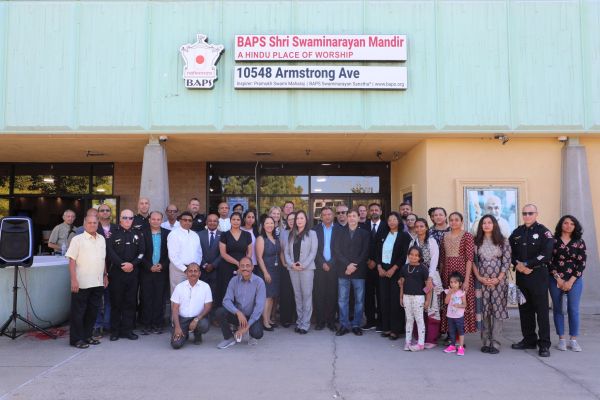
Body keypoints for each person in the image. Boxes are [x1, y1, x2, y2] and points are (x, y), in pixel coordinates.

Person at [509, 204, 554, 357]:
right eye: (524, 213)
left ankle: (544, 344)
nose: (527, 216)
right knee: (524, 309)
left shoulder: (544, 232)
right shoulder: (517, 232)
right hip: (521, 275)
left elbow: (546, 254)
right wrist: (518, 265)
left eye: (530, 213)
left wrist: (528, 264)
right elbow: (510, 252)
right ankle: (529, 340)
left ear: (536, 214)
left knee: (541, 310)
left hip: (538, 274)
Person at [66, 215, 108, 349]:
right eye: (89, 223)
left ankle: (87, 336)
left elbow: (103, 259)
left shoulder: (101, 239)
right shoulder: (77, 240)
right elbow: (71, 261)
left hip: (97, 282)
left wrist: (105, 275)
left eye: (95, 223)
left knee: (92, 312)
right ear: (84, 224)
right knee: (78, 313)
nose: (92, 225)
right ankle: (76, 339)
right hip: (81, 283)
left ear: (98, 224)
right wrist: (73, 280)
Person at [473, 214, 511, 354]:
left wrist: (498, 278)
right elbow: (473, 263)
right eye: (484, 223)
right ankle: (486, 341)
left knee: (497, 310)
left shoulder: (503, 241)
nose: (487, 225)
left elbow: (506, 261)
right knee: (484, 311)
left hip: (498, 283)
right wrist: (479, 277)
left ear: (494, 224)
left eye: (489, 222)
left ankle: (495, 342)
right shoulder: (476, 242)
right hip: (481, 282)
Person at [106, 209, 145, 341]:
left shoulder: (138, 234)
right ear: (120, 219)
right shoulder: (112, 234)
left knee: (130, 302)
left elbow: (142, 253)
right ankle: (115, 331)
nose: (128, 220)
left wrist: (132, 264)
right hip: (117, 273)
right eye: (125, 218)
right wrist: (122, 264)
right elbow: (110, 252)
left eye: (130, 218)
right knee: (116, 303)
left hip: (133, 274)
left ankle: (128, 330)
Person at [550, 215, 586, 352]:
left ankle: (573, 340)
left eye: (572, 223)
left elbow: (581, 263)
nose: (569, 225)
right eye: (566, 223)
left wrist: (570, 281)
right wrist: (558, 279)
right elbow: (549, 261)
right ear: (561, 225)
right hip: (555, 279)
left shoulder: (579, 242)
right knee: (558, 309)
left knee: (573, 309)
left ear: (575, 226)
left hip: (574, 280)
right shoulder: (553, 241)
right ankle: (562, 339)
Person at [376, 212, 412, 340]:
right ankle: (386, 327)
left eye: (394, 219)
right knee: (384, 299)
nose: (391, 222)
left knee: (395, 300)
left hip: (396, 271)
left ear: (398, 221)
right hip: (382, 271)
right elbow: (377, 252)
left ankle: (396, 329)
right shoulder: (382, 234)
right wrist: (379, 266)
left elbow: (404, 255)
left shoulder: (404, 236)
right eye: (389, 219)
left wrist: (394, 268)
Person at [333, 209, 369, 336]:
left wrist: (354, 266)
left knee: (359, 300)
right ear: (347, 218)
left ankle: (356, 325)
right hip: (343, 271)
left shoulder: (364, 233)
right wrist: (347, 265)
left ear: (359, 218)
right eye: (349, 216)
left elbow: (365, 252)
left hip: (359, 272)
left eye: (354, 216)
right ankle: (344, 325)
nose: (352, 218)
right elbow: (336, 250)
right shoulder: (339, 232)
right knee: (343, 299)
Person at [216, 257, 266, 349]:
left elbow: (259, 307)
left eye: (248, 266)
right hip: (238, 315)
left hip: (252, 316)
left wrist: (247, 326)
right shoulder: (234, 280)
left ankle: (250, 334)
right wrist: (238, 313)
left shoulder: (259, 282)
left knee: (257, 333)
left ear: (252, 267)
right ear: (239, 267)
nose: (245, 268)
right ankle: (229, 338)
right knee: (220, 312)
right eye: (242, 266)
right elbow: (226, 300)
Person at [440, 212, 476, 336]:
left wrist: (466, 280)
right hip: (447, 272)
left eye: (456, 220)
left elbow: (470, 259)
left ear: (462, 222)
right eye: (451, 220)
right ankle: (450, 334)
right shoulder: (444, 236)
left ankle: (460, 335)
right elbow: (442, 258)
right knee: (449, 301)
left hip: (462, 271)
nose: (454, 222)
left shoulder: (467, 236)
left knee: (460, 301)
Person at [410, 218, 442, 348]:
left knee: (431, 307)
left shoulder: (432, 241)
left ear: (426, 228)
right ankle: (419, 336)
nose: (418, 229)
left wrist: (429, 278)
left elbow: (434, 260)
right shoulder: (413, 242)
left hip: (431, 276)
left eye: (421, 226)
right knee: (418, 307)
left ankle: (431, 338)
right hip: (416, 278)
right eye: (416, 226)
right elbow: (409, 261)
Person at [284, 210, 318, 334]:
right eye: (297, 218)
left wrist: (303, 265)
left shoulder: (312, 233)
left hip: (307, 269)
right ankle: (299, 322)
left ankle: (305, 324)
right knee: (297, 296)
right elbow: (286, 252)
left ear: (306, 220)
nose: (299, 220)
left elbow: (313, 252)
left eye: (301, 218)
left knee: (306, 296)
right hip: (293, 269)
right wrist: (292, 264)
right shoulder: (291, 234)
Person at [140, 211, 170, 335]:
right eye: (153, 219)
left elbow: (170, 254)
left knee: (159, 299)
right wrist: (149, 266)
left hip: (161, 271)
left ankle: (158, 324)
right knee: (146, 298)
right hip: (146, 271)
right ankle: (146, 324)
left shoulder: (168, 234)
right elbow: (139, 252)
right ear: (149, 220)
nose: (156, 221)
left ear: (161, 220)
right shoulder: (143, 233)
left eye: (158, 219)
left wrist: (162, 265)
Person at [170, 263, 212, 349]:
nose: (193, 273)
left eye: (195, 271)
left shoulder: (205, 287)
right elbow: (174, 309)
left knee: (204, 325)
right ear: (186, 273)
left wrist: (197, 319)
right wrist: (177, 327)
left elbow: (208, 306)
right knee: (176, 344)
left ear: (199, 273)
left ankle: (197, 334)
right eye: (190, 271)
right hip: (182, 319)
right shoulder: (179, 287)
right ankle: (184, 335)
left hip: (197, 318)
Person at [399, 246, 432, 351]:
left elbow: (428, 286)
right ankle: (408, 342)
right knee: (409, 319)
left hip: (419, 297)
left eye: (416, 255)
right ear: (408, 255)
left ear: (420, 257)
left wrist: (428, 300)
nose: (413, 257)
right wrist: (401, 297)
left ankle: (421, 343)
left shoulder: (423, 269)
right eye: (411, 254)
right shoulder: (404, 268)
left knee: (419, 319)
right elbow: (402, 284)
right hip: (406, 297)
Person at [92, 203, 117, 339]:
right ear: (98, 213)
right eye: (102, 210)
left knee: (110, 299)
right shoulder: (94, 227)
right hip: (97, 268)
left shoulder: (116, 227)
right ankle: (97, 325)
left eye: (108, 210)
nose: (105, 212)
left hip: (114, 268)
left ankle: (107, 325)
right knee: (97, 299)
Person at [218, 212, 252, 307]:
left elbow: (249, 253)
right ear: (230, 221)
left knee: (242, 290)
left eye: (238, 220)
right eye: (233, 219)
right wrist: (238, 264)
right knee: (227, 290)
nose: (236, 222)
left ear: (241, 221)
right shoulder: (224, 235)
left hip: (243, 269)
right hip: (227, 266)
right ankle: (227, 315)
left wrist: (243, 266)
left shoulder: (247, 235)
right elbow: (223, 253)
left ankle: (241, 315)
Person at [313, 207, 339, 331]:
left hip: (334, 268)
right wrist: (322, 262)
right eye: (324, 215)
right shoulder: (315, 230)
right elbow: (315, 249)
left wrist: (331, 263)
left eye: (329, 214)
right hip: (319, 267)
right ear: (321, 217)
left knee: (332, 295)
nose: (327, 216)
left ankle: (331, 322)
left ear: (333, 215)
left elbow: (340, 249)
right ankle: (320, 321)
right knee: (319, 294)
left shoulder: (339, 229)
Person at [364, 203, 387, 331]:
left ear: (380, 212)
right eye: (371, 209)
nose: (374, 211)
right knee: (368, 295)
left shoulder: (386, 226)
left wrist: (377, 262)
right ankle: (370, 320)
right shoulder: (364, 226)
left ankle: (381, 322)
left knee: (381, 294)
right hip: (366, 266)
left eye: (376, 210)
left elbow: (387, 248)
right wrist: (368, 260)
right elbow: (361, 246)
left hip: (381, 267)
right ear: (368, 212)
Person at [167, 212, 203, 294]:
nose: (187, 222)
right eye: (185, 220)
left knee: (192, 293)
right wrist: (185, 269)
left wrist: (196, 267)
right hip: (179, 270)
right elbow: (172, 255)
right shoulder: (174, 234)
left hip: (193, 270)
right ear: (180, 221)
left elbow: (199, 253)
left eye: (190, 220)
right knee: (178, 294)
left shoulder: (195, 235)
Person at [256, 216, 281, 330]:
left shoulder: (275, 238)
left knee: (271, 296)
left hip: (276, 270)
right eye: (267, 223)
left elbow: (280, 254)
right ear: (263, 225)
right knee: (266, 297)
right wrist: (265, 272)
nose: (270, 225)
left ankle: (269, 319)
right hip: (266, 270)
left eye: (272, 223)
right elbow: (259, 258)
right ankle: (265, 322)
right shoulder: (261, 239)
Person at [198, 213, 221, 309]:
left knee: (215, 294)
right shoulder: (199, 234)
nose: (212, 222)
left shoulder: (223, 235)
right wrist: (204, 264)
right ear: (206, 222)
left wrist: (213, 265)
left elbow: (223, 253)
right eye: (210, 220)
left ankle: (214, 317)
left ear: (218, 223)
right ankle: (202, 316)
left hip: (216, 270)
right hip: (202, 270)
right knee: (202, 294)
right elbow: (196, 251)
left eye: (215, 221)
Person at [279, 212, 297, 328]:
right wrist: (284, 263)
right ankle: (286, 318)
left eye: (293, 219)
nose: (291, 221)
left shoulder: (301, 233)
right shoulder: (283, 233)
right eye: (289, 219)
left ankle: (297, 317)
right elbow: (281, 250)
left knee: (297, 293)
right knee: (286, 293)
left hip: (299, 268)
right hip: (286, 267)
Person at [443, 272, 467, 356]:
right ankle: (452, 345)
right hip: (450, 315)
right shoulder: (448, 292)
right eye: (451, 282)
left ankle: (461, 347)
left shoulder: (461, 293)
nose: (453, 284)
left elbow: (465, 304)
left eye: (455, 282)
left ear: (460, 283)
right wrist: (450, 293)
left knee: (460, 331)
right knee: (451, 331)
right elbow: (446, 302)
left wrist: (459, 305)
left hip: (459, 316)